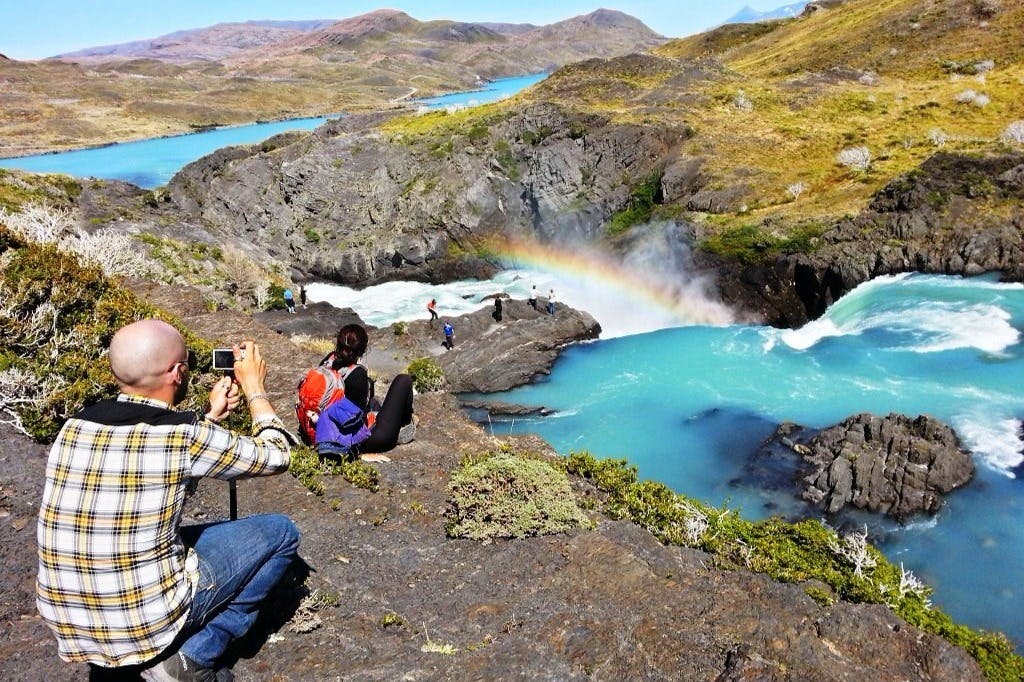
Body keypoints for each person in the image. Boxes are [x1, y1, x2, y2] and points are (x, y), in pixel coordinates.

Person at [36, 319, 299, 681]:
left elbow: (148, 469)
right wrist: (255, 388)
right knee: (282, 533)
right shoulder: (183, 435)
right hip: (145, 623)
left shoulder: (74, 427)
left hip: (70, 622)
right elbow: (277, 455)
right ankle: (192, 657)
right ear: (177, 372)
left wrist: (210, 418)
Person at [317, 323, 415, 460]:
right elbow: (354, 424)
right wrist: (359, 454)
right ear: (363, 350)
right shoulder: (357, 374)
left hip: (322, 428)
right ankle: (404, 425)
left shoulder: (328, 361)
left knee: (374, 403)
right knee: (404, 380)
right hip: (362, 440)